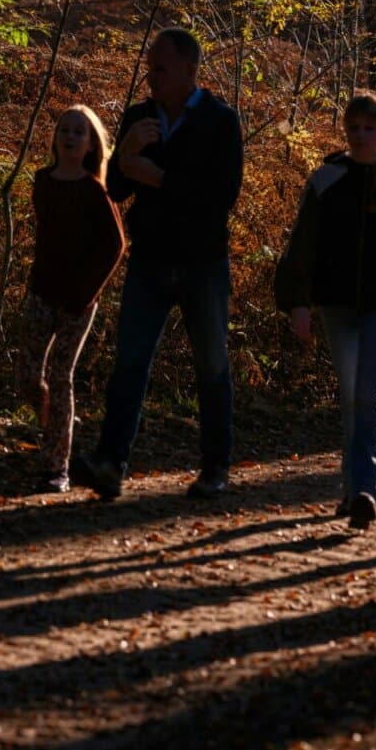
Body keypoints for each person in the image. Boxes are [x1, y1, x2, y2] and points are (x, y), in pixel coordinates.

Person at [69, 28, 245, 501]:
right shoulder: (139, 118)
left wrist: (161, 178)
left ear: (190, 69)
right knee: (129, 362)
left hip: (203, 263)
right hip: (149, 259)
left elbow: (222, 197)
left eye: (160, 68)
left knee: (212, 366)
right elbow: (115, 190)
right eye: (150, 68)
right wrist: (125, 152)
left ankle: (215, 467)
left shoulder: (220, 121)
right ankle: (111, 463)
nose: (152, 77)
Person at [274, 91, 376, 531]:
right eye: (354, 127)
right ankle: (351, 487)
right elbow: (302, 244)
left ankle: (365, 488)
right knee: (350, 394)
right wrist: (298, 302)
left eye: (369, 127)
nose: (361, 135)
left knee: (367, 392)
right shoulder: (327, 180)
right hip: (337, 303)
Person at [20, 105, 126, 493]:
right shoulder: (42, 181)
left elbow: (115, 246)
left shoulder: (95, 191)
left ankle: (57, 467)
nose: (69, 136)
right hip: (42, 291)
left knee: (60, 377)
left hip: (78, 301)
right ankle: (55, 419)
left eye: (79, 132)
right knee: (28, 375)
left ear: (91, 144)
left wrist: (86, 292)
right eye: (64, 129)